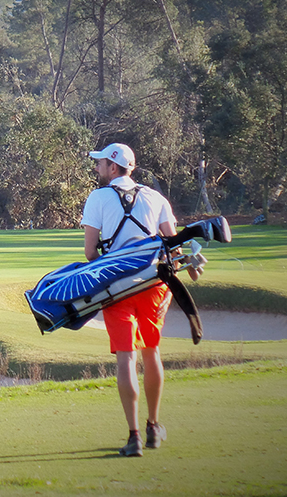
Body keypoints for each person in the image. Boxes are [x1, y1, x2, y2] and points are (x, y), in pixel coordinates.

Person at [81, 143, 175, 458]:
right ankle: (153, 426)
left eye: (101, 164)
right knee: (151, 352)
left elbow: (90, 253)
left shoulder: (98, 198)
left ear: (113, 167)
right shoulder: (156, 197)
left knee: (125, 358)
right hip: (153, 285)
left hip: (115, 286)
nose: (97, 169)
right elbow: (171, 247)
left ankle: (134, 436)